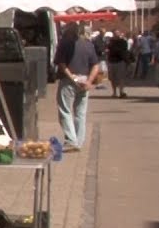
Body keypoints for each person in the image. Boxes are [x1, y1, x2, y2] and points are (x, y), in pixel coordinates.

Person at [53, 22, 100, 152]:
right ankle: (79, 142)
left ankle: (71, 141)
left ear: (68, 30)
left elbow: (61, 64)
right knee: (80, 112)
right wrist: (89, 81)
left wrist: (73, 78)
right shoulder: (88, 44)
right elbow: (96, 65)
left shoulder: (64, 43)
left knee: (65, 110)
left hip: (69, 80)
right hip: (85, 79)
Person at [106, 31, 130, 98]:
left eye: (117, 34)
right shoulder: (110, 42)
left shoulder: (123, 42)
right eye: (115, 34)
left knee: (121, 77)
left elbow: (124, 51)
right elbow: (108, 50)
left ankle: (121, 92)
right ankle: (114, 92)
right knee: (112, 78)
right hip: (112, 61)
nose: (116, 35)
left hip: (120, 61)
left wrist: (126, 60)